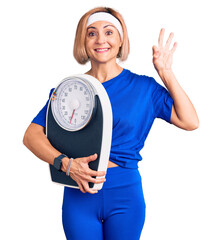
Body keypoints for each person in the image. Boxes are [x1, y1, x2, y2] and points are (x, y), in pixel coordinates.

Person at [23, 6, 199, 240]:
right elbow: (31, 135)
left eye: (108, 32)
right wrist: (66, 164)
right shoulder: (71, 90)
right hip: (79, 193)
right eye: (91, 33)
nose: (100, 40)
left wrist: (166, 73)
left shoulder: (144, 88)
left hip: (125, 195)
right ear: (83, 41)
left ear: (120, 40)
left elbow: (190, 121)